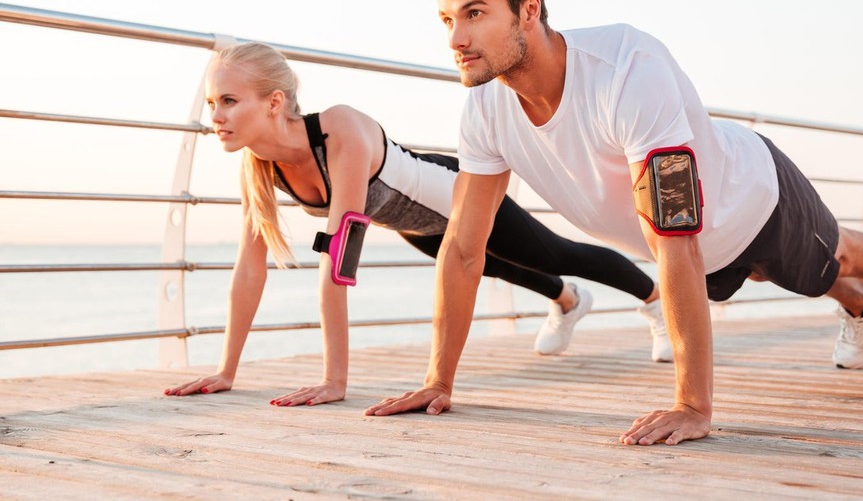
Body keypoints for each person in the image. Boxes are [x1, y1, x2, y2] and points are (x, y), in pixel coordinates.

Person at [364, 0, 863, 445]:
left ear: (528, 9)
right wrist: (438, 381)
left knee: (833, 255)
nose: (454, 40)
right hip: (701, 254)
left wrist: (693, 406)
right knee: (798, 278)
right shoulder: (486, 110)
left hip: (751, 196)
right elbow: (466, 247)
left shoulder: (626, 68)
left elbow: (675, 233)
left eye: (473, 13)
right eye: (446, 20)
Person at [164, 42, 670, 406]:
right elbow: (249, 272)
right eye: (212, 103)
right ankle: (569, 301)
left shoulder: (340, 130)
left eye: (229, 100)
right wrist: (225, 371)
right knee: (497, 269)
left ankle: (655, 303)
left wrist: (334, 381)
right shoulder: (258, 167)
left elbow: (338, 258)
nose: (216, 115)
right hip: (415, 225)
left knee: (555, 253)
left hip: (453, 192)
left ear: (274, 102)